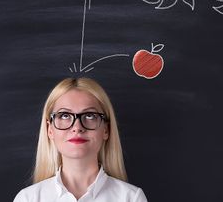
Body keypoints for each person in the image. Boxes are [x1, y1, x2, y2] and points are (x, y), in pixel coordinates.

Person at [13, 77, 148, 202]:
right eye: (65, 115)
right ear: (50, 130)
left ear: (106, 130)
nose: (77, 128)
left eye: (89, 115)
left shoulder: (131, 198)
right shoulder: (28, 199)